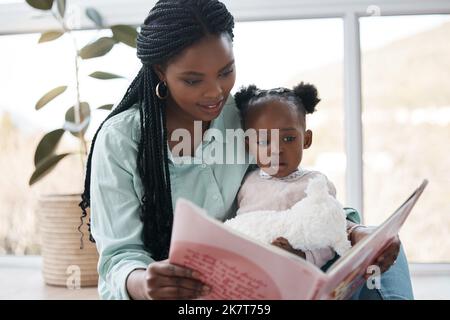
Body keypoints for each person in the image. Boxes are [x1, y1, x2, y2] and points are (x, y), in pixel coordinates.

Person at [79, 0, 414, 300]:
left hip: (264, 269)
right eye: (194, 80)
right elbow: (118, 259)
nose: (216, 92)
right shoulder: (121, 141)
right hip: (188, 291)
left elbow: (290, 189)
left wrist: (357, 231)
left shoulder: (240, 115)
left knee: (383, 255)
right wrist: (143, 283)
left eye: (226, 72)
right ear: (160, 73)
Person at [229, 82, 346, 268]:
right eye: (263, 141)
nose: (276, 150)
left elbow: (327, 234)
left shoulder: (316, 185)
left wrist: (301, 256)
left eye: (288, 139)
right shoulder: (246, 183)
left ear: (306, 140)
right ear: (248, 144)